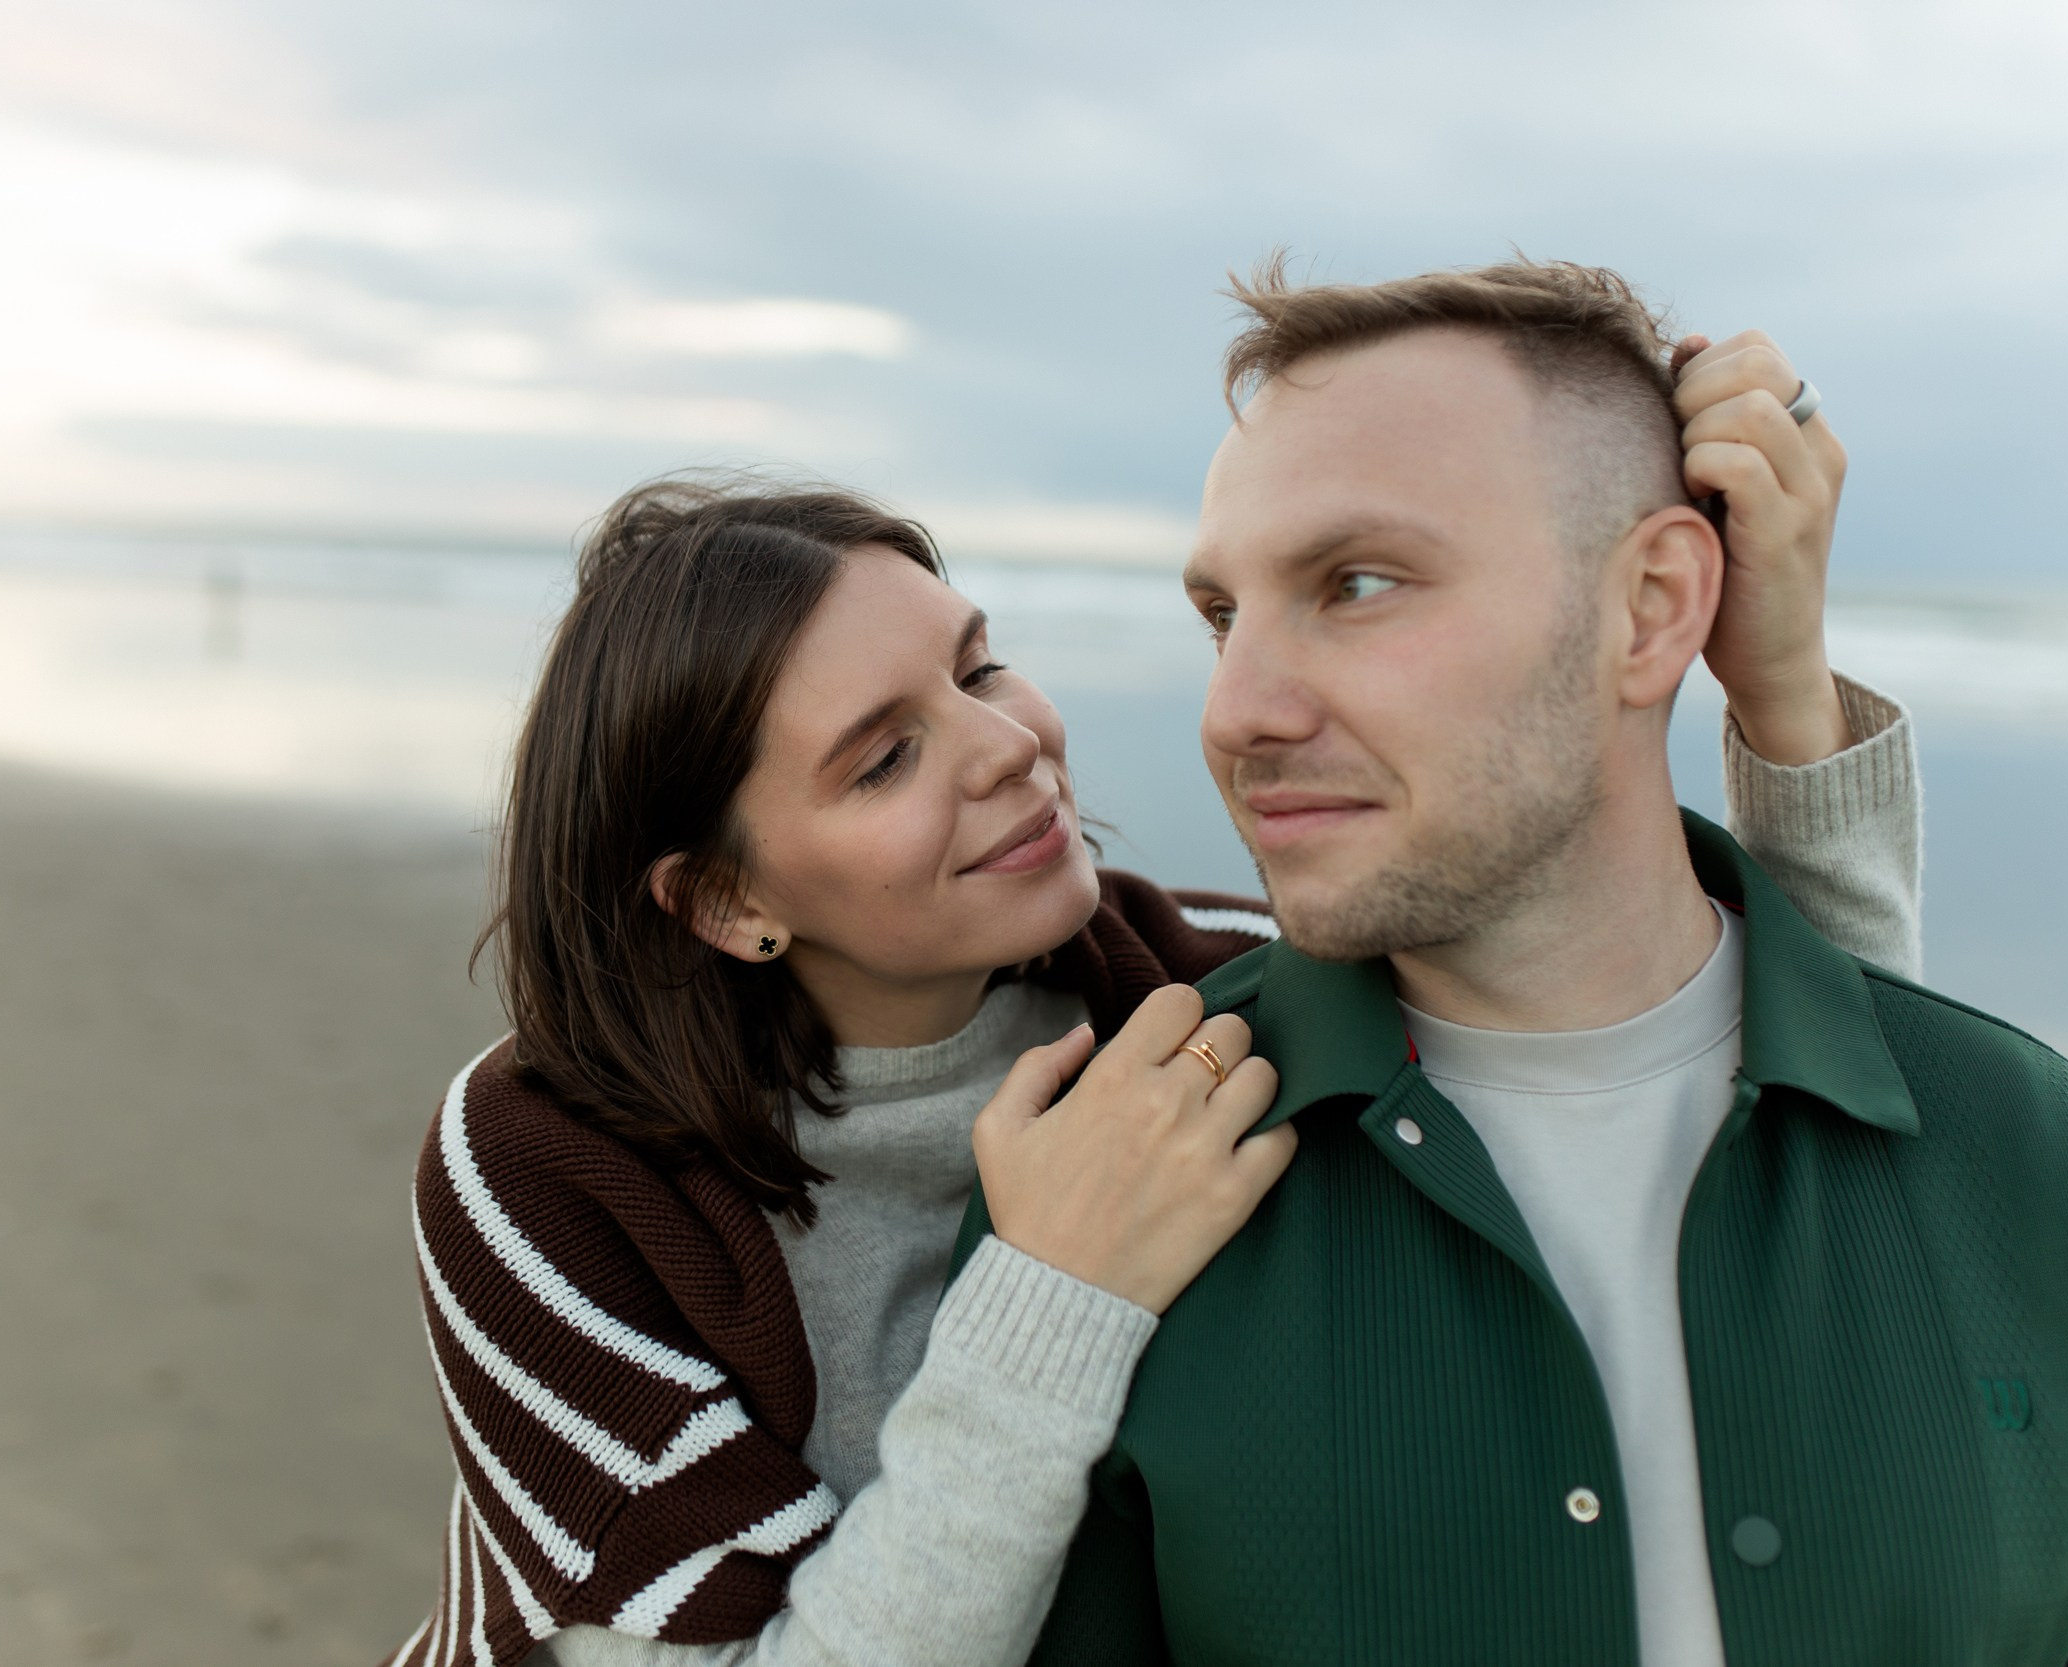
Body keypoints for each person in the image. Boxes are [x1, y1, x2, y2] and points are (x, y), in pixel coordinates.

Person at [385, 309, 1925, 1665]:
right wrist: (1056, 1289)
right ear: (727, 901)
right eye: (886, 757)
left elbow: (1776, 1122)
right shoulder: (550, 1164)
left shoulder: (1195, 996)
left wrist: (1782, 687)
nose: (1010, 746)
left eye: (977, 669)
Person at [995, 260, 2068, 1665]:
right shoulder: (1105, 1202)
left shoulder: (2057, 1175)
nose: (1237, 711)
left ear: (1651, 605)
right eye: (1224, 615)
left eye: (1359, 583)